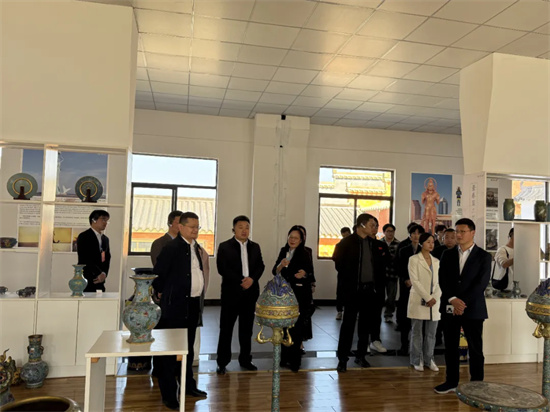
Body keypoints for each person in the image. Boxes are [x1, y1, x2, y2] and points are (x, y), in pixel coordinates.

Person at [153, 212, 209, 409]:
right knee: (170, 353)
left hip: (192, 305)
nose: (195, 230)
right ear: (181, 227)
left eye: (197, 227)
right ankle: (169, 394)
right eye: (191, 227)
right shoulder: (171, 248)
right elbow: (158, 276)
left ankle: (188, 386)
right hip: (175, 307)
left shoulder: (196, 247)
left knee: (188, 348)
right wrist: (166, 293)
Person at [434, 218, 491, 394]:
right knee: (450, 346)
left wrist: (462, 302)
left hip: (473, 308)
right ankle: (451, 381)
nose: (458, 235)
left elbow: (481, 284)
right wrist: (453, 299)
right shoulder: (447, 254)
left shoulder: (484, 256)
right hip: (450, 306)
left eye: (462, 232)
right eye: (456, 231)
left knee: (475, 347)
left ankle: (476, 384)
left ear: (472, 233)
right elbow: (443, 279)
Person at [333, 214, 387, 372]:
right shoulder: (346, 243)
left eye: (375, 225)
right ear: (362, 225)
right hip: (352, 291)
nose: (374, 228)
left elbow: (381, 267)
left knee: (365, 326)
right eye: (372, 225)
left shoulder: (375, 244)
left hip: (369, 291)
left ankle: (361, 355)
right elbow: (339, 265)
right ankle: (342, 359)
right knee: (348, 325)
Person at [216, 216, 265, 375]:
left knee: (246, 329)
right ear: (234, 229)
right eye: (240, 227)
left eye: (247, 227)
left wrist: (252, 279)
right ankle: (222, 362)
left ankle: (245, 359)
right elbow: (222, 268)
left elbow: (260, 266)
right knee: (226, 329)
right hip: (231, 293)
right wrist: (241, 280)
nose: (244, 230)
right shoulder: (224, 246)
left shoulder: (255, 247)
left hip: (250, 293)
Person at [272, 226, 313, 372]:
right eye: (290, 237)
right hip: (284, 294)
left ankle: (295, 360)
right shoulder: (284, 251)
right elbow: (274, 271)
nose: (292, 240)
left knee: (296, 328)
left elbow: (311, 274)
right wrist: (281, 265)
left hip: (299, 295)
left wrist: (304, 274)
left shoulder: (305, 253)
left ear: (301, 240)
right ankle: (284, 358)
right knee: (284, 327)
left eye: (296, 238)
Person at [408, 233, 441, 372]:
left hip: (434, 301)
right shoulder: (414, 259)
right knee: (417, 332)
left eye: (432, 242)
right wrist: (428, 298)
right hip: (419, 299)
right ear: (421, 243)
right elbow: (414, 281)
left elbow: (439, 282)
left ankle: (429, 359)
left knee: (431, 333)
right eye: (428, 242)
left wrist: (434, 297)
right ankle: (416, 359)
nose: (431, 244)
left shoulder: (436, 261)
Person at [396, 224, 425, 355]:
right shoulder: (404, 250)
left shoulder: (425, 250)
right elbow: (399, 266)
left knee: (419, 317)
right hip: (407, 286)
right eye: (414, 233)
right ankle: (404, 345)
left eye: (419, 233)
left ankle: (418, 347)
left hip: (421, 288)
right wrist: (405, 279)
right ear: (410, 235)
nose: (416, 236)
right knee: (405, 316)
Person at [432, 228, 457, 345]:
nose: (449, 240)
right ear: (442, 238)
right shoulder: (437, 251)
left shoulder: (459, 251)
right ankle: (437, 337)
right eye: (447, 237)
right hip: (438, 286)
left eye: (452, 237)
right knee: (439, 312)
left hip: (453, 288)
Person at [76, 210, 111, 292]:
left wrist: (104, 274)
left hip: (101, 280)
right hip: (86, 278)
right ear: (94, 220)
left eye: (107, 220)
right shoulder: (84, 236)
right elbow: (84, 258)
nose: (105, 223)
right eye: (103, 219)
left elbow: (107, 258)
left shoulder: (105, 239)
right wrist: (98, 273)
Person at [381, 224, 399, 323]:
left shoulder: (398, 244)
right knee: (379, 296)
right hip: (380, 274)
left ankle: (388, 314)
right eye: (388, 231)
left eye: (392, 231)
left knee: (391, 296)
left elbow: (397, 259)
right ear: (384, 232)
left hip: (393, 274)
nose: (390, 233)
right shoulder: (379, 243)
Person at [335, 227, 352, 320]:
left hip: (353, 273)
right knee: (340, 292)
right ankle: (339, 311)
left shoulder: (355, 245)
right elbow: (335, 258)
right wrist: (340, 269)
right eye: (343, 236)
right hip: (342, 273)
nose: (345, 237)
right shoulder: (339, 245)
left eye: (347, 235)